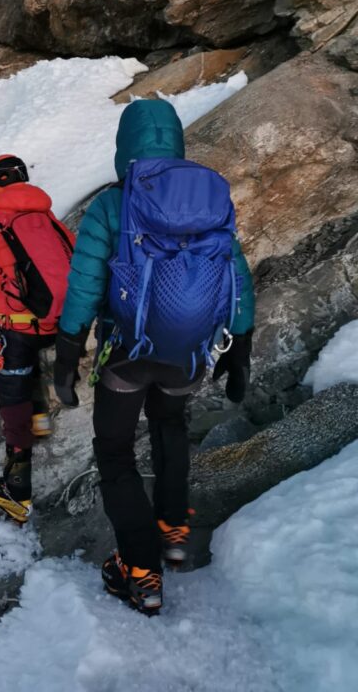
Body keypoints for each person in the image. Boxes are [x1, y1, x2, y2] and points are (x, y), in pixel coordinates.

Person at [53, 99, 255, 615]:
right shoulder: (209, 197)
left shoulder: (112, 205)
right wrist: (241, 347)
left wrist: (68, 353)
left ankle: (141, 571)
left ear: (124, 146)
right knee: (170, 425)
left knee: (115, 451)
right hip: (187, 354)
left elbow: (85, 286)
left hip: (128, 352)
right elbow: (235, 274)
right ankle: (173, 529)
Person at [0, 155, 75, 522]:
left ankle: (16, 490)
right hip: (58, 322)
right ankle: (40, 419)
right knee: (31, 367)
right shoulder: (47, 217)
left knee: (12, 399)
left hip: (17, 327)